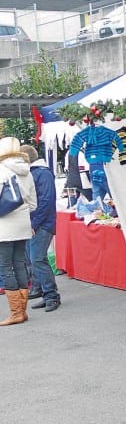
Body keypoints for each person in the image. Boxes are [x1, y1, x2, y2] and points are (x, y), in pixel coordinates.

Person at [0, 137, 37, 326]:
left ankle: (15, 313)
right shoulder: (27, 172)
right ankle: (22, 311)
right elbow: (33, 204)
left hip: (4, 225)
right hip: (23, 224)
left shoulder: (1, 169)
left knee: (5, 266)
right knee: (19, 263)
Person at [21, 145, 60, 312]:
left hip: (41, 223)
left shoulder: (42, 173)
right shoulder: (38, 172)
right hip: (37, 222)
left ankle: (51, 295)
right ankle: (44, 292)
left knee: (37, 259)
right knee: (34, 259)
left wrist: (34, 223)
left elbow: (45, 201)